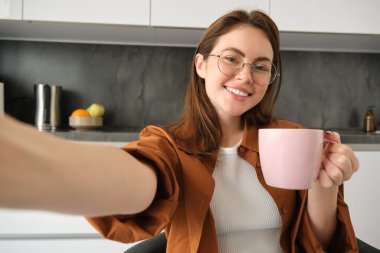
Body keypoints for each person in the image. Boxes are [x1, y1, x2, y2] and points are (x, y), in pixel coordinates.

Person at [0, 9, 360, 253]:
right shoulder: (169, 146)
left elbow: (321, 244)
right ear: (201, 64)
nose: (246, 76)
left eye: (261, 66)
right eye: (232, 58)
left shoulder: (291, 138)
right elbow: (143, 176)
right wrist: (55, 169)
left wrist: (323, 184)